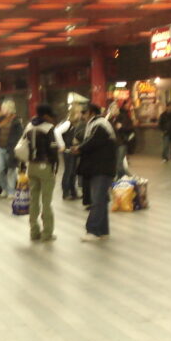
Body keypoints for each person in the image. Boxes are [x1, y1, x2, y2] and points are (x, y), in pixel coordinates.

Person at [73, 103, 116, 242]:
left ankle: (92, 230)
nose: (82, 116)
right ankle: (102, 231)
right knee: (101, 199)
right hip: (100, 168)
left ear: (91, 112)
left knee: (97, 200)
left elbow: (93, 142)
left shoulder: (100, 125)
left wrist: (79, 148)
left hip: (101, 168)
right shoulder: (96, 124)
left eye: (84, 113)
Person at [20, 104, 62, 241]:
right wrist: (55, 166)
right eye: (50, 115)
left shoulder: (29, 127)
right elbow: (53, 150)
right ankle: (47, 233)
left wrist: (22, 167)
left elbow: (22, 147)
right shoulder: (49, 129)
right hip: (45, 167)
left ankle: (34, 232)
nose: (52, 118)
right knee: (46, 201)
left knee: (33, 200)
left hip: (31, 166)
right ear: (45, 116)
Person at [0, 100, 23, 198]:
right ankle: (4, 188)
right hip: (0, 149)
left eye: (3, 108)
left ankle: (10, 191)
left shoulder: (16, 121)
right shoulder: (1, 119)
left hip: (11, 150)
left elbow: (19, 136)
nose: (2, 109)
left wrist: (15, 149)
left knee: (11, 171)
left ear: (9, 109)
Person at [55, 105, 81, 201]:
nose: (80, 114)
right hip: (68, 150)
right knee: (68, 171)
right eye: (78, 112)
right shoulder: (67, 123)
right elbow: (57, 132)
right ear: (74, 113)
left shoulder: (74, 124)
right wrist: (62, 145)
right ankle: (66, 193)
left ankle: (73, 192)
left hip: (73, 150)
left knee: (73, 172)